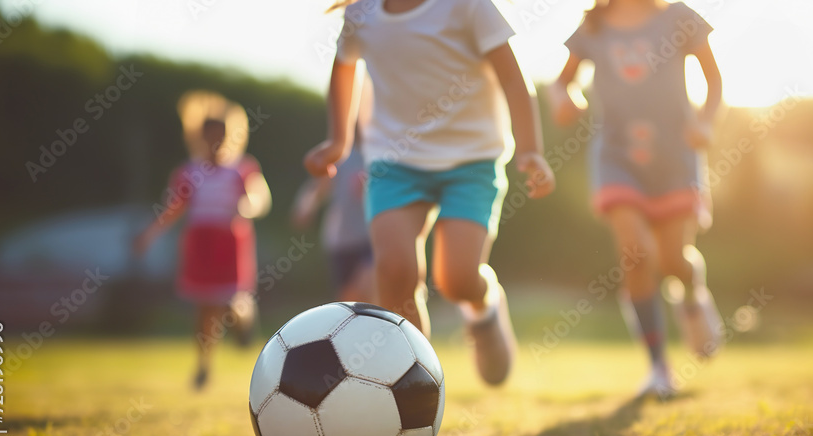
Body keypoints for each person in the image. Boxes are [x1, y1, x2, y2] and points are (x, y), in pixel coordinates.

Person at [306, 0, 556, 385]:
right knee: (394, 271)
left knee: (456, 278)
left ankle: (483, 309)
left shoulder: (467, 6)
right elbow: (345, 70)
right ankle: (415, 383)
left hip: (471, 161)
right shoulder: (362, 15)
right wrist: (339, 141)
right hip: (394, 162)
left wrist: (530, 150)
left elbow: (511, 77)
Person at [548, 0, 724, 398]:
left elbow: (714, 81)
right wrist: (562, 98)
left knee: (673, 261)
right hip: (616, 159)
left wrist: (707, 122)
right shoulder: (592, 25)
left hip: (675, 159)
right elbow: (563, 82)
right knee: (636, 254)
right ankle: (658, 367)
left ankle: (693, 293)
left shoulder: (679, 18)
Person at [135, 91, 272, 390]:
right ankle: (203, 365)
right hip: (200, 243)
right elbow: (173, 208)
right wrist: (148, 234)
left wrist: (246, 206)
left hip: (230, 241)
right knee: (205, 309)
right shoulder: (188, 172)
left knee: (232, 298)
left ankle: (243, 318)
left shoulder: (243, 168)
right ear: (200, 136)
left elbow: (260, 197)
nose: (216, 142)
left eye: (221, 135)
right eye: (210, 135)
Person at [292, 140, 373, 303]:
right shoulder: (340, 155)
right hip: (341, 240)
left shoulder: (380, 153)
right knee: (349, 300)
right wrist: (306, 208)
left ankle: (381, 326)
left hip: (370, 238)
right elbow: (319, 187)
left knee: (367, 286)